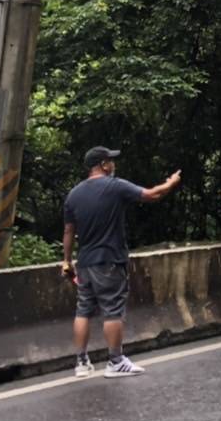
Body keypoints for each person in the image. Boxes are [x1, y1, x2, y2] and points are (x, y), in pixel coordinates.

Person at [61, 146, 181, 378]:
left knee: (83, 310)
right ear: (103, 165)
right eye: (110, 161)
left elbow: (68, 231)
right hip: (109, 261)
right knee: (113, 311)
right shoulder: (114, 186)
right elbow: (151, 195)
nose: (113, 164)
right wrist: (171, 183)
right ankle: (115, 361)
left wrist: (67, 262)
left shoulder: (74, 194)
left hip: (85, 262)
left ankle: (81, 362)